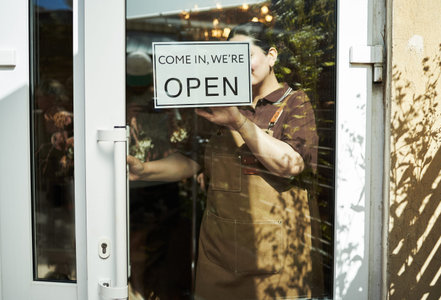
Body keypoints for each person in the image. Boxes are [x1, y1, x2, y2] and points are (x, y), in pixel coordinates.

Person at [127, 22, 324, 299]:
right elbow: (190, 160)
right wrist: (144, 170)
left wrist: (238, 121)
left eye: (245, 56)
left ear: (271, 56)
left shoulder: (294, 103)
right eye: (231, 59)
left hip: (275, 260)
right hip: (218, 255)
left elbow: (291, 165)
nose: (238, 66)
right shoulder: (220, 104)